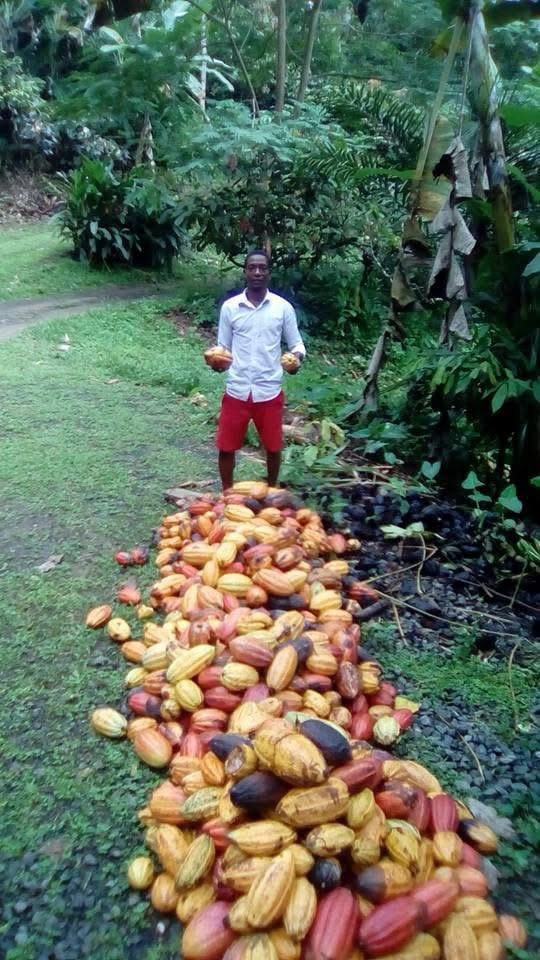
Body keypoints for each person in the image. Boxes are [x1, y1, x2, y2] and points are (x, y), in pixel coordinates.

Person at [206, 250, 306, 490]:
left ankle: (271, 490)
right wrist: (217, 363)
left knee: (273, 447)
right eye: (253, 267)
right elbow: (223, 347)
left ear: (269, 272)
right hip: (237, 388)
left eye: (262, 267)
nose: (258, 272)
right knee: (226, 446)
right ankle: (227, 493)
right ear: (245, 272)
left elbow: (297, 345)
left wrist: (296, 360)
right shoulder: (231, 308)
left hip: (268, 389)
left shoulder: (282, 308)